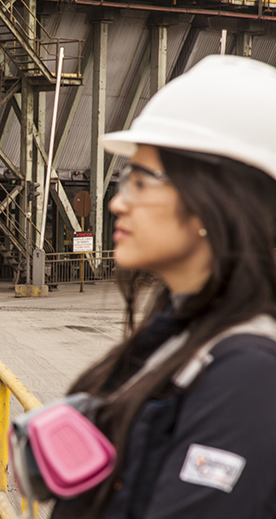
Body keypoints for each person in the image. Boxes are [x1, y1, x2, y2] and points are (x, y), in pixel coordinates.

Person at [50, 56, 276, 518]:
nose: (118, 203)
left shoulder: (249, 374)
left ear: (215, 201)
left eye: (140, 181)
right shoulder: (177, 334)